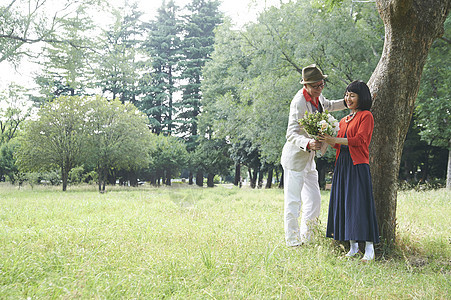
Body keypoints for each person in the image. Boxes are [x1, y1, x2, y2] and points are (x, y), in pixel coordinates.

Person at [280, 64, 346, 247]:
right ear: (306, 85)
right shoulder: (298, 102)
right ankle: (293, 242)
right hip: (295, 159)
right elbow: (291, 134)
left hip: (310, 160)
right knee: (293, 201)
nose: (320, 88)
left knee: (315, 200)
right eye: (316, 85)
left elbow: (329, 105)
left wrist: (348, 102)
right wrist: (307, 143)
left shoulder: (318, 97)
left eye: (322, 84)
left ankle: (308, 237)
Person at [318, 80, 380, 262]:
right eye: (347, 95)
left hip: (358, 165)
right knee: (346, 204)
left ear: (362, 97)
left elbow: (359, 140)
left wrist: (335, 139)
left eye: (352, 95)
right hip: (342, 165)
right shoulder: (343, 120)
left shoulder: (366, 116)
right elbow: (337, 144)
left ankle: (369, 248)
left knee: (361, 204)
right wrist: (325, 138)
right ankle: (353, 247)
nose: (348, 98)